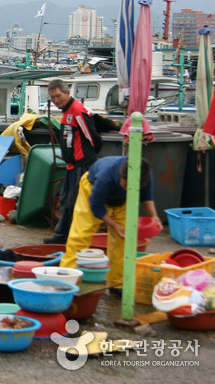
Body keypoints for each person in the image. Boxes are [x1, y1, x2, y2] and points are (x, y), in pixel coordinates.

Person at [59, 156, 162, 285]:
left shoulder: (144, 175)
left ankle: (117, 282)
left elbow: (146, 196)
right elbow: (96, 207)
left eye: (135, 187)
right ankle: (67, 278)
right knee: (80, 236)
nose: (128, 188)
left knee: (123, 240)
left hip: (121, 201)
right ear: (120, 175)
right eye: (126, 185)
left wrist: (154, 217)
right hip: (91, 190)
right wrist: (114, 225)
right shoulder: (105, 176)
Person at [44, 78, 102, 244]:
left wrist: (87, 159)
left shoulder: (77, 111)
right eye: (52, 98)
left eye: (58, 96)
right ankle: (63, 234)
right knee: (65, 199)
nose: (55, 101)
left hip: (81, 163)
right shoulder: (66, 112)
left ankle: (68, 235)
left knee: (73, 200)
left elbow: (93, 138)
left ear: (67, 93)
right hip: (71, 164)